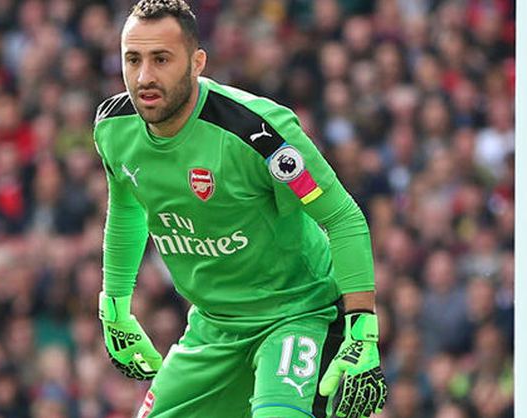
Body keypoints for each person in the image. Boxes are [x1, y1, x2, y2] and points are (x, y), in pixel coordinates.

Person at [93, 1, 387, 417]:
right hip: (214, 326)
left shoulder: (259, 133)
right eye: (133, 59)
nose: (144, 77)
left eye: (161, 59)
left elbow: (341, 217)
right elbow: (127, 208)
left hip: (298, 314)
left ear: (197, 63)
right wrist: (115, 308)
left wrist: (362, 330)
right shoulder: (113, 127)